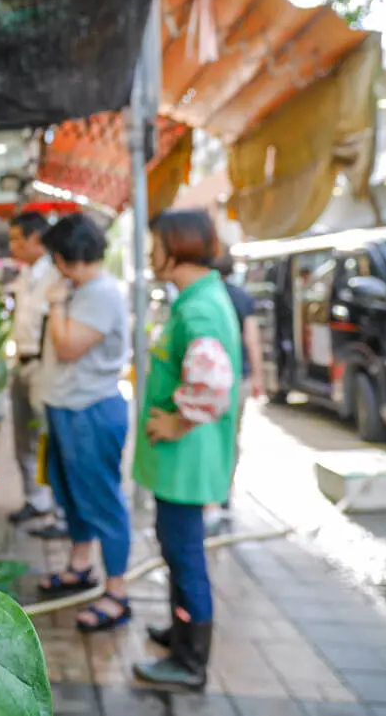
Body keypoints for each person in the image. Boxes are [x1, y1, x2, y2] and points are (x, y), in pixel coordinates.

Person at [133, 210, 240, 690]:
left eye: (155, 243)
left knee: (185, 553)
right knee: (177, 549)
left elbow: (214, 380)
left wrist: (178, 421)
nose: (151, 253)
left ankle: (191, 661)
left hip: (186, 461)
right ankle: (181, 633)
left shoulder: (198, 308)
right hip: (183, 463)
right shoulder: (199, 298)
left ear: (175, 247)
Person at [35, 213, 133, 633]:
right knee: (71, 494)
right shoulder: (82, 287)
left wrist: (55, 304)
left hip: (90, 410)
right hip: (68, 407)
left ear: (62, 256)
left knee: (102, 501)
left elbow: (70, 346)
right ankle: (80, 566)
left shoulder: (100, 293)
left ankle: (117, 592)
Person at [5, 212, 58, 525]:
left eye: (16, 238)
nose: (12, 245)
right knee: (22, 438)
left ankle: (59, 509)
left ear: (35, 239)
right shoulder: (24, 277)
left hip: (44, 367)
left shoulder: (56, 276)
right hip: (21, 364)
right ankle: (35, 501)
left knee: (47, 439)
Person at [206, 250, 264, 529]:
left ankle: (209, 496)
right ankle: (223, 494)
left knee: (208, 436)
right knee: (230, 437)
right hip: (236, 380)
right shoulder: (241, 297)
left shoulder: (203, 297)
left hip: (207, 380)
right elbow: (252, 340)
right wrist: (258, 378)